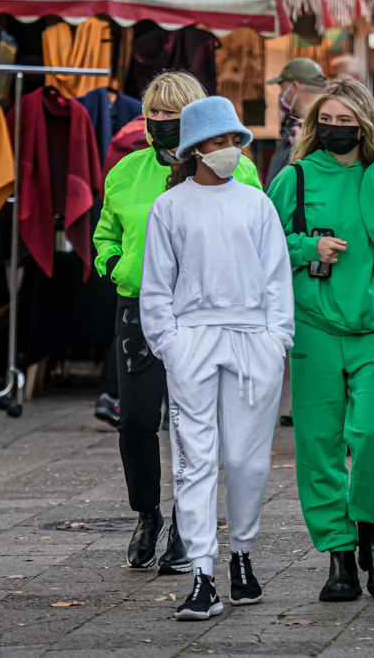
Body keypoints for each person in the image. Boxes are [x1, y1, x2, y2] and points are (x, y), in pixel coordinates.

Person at [93, 71, 263, 575]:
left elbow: (256, 237)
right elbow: (104, 235)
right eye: (155, 112)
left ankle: (187, 525)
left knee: (194, 423)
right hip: (140, 306)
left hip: (204, 312)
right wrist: (118, 267)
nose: (162, 121)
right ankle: (147, 513)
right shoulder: (126, 171)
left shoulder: (239, 170)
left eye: (173, 112)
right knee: (138, 420)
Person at [140, 96, 294, 620]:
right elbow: (155, 286)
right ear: (195, 148)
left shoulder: (257, 204)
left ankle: (242, 554)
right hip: (194, 340)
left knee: (246, 459)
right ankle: (202, 571)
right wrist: (171, 344)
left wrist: (277, 341)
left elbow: (277, 280)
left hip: (253, 339)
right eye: (219, 141)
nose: (229, 149)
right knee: (193, 460)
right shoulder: (170, 207)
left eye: (234, 140)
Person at [267, 78, 374, 602]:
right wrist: (309, 247)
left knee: (371, 435)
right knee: (318, 445)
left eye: (348, 122)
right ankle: (339, 556)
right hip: (315, 329)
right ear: (313, 125)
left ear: (366, 124)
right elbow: (265, 243)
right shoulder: (295, 177)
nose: (336, 130)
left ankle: (372, 532)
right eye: (327, 120)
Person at [264, 58, 326, 188]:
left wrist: (301, 150)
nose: (281, 94)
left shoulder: (320, 131)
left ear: (295, 86)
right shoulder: (295, 128)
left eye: (282, 87)